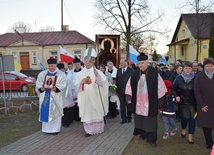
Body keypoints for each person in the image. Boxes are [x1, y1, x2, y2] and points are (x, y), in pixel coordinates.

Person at [125, 52, 167, 147]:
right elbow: (129, 86)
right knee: (140, 119)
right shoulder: (135, 73)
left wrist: (161, 100)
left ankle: (151, 139)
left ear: (147, 62)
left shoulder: (154, 73)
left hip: (150, 101)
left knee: (151, 121)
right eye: (139, 63)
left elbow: (160, 86)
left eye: (143, 63)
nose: (141, 65)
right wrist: (129, 97)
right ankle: (142, 134)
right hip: (138, 102)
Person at [73, 47, 109, 137]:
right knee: (87, 112)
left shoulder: (98, 72)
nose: (87, 63)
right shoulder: (80, 74)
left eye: (89, 61)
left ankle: (99, 129)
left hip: (96, 96)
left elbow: (104, 83)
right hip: (85, 97)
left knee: (96, 111)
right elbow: (75, 84)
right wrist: (82, 82)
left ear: (92, 62)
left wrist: (98, 78)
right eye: (86, 61)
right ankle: (88, 131)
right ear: (84, 62)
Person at [36, 56, 67, 134]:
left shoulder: (61, 74)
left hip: (55, 96)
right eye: (49, 66)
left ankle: (55, 129)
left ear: (56, 65)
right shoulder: (42, 74)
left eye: (52, 66)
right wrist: (41, 88)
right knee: (45, 111)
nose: (50, 67)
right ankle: (46, 129)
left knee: (55, 112)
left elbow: (64, 84)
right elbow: (38, 83)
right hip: (45, 96)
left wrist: (56, 88)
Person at [172, 61, 196, 144]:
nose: (188, 70)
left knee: (192, 119)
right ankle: (183, 129)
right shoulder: (179, 78)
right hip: (183, 102)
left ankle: (190, 136)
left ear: (192, 69)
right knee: (184, 119)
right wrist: (176, 96)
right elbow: (173, 88)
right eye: (186, 68)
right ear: (183, 69)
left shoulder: (195, 78)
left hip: (193, 103)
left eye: (189, 68)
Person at [194, 58, 214, 149]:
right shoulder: (199, 76)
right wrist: (202, 104)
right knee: (207, 126)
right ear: (204, 67)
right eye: (207, 66)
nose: (209, 68)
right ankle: (209, 143)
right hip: (205, 105)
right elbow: (197, 92)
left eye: (211, 66)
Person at [116, 59, 134, 124]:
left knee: (128, 105)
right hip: (120, 91)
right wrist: (116, 89)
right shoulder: (119, 71)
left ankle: (129, 117)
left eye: (122, 63)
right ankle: (123, 118)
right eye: (120, 63)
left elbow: (133, 81)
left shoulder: (131, 71)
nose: (121, 65)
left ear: (126, 63)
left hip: (128, 91)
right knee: (122, 105)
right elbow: (117, 80)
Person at [57, 63, 75, 128]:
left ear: (64, 69)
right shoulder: (57, 77)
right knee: (63, 109)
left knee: (69, 109)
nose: (61, 72)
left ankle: (68, 121)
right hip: (61, 95)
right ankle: (64, 121)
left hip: (69, 93)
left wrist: (73, 93)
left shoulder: (69, 76)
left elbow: (72, 84)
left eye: (62, 70)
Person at [70, 57, 82, 122]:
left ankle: (82, 117)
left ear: (80, 64)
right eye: (75, 64)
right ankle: (76, 117)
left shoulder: (83, 72)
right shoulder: (71, 73)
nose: (76, 66)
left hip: (81, 90)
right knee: (75, 104)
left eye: (78, 64)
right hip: (74, 90)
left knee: (81, 104)